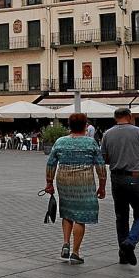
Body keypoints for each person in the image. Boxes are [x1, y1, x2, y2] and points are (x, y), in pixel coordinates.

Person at [45, 113, 107, 265]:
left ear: (69, 126)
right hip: (84, 182)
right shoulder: (90, 143)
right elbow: (100, 166)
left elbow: (51, 163)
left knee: (67, 212)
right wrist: (102, 186)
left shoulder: (60, 142)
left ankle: (66, 243)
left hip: (64, 181)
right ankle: (75, 252)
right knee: (81, 216)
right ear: (85, 126)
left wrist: (49, 183)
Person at [101, 107, 139, 266]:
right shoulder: (138, 131)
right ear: (129, 116)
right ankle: (130, 242)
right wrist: (137, 157)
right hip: (135, 178)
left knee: (121, 216)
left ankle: (123, 255)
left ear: (115, 118)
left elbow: (104, 158)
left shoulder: (107, 134)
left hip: (117, 179)